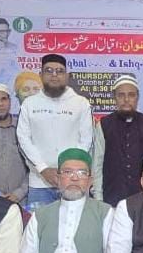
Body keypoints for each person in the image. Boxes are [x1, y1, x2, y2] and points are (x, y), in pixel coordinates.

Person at [17, 54, 94, 207]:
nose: (54, 75)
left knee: (75, 222)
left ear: (67, 76)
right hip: (39, 183)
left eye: (59, 71)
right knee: (40, 222)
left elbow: (86, 140)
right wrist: (43, 169)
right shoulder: (29, 104)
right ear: (41, 75)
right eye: (49, 71)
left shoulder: (81, 103)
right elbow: (23, 139)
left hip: (73, 182)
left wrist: (67, 171)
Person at [91, 75, 143, 205]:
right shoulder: (104, 124)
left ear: (137, 97)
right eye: (121, 95)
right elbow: (97, 163)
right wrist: (98, 197)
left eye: (131, 95)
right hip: (112, 197)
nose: (126, 100)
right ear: (114, 98)